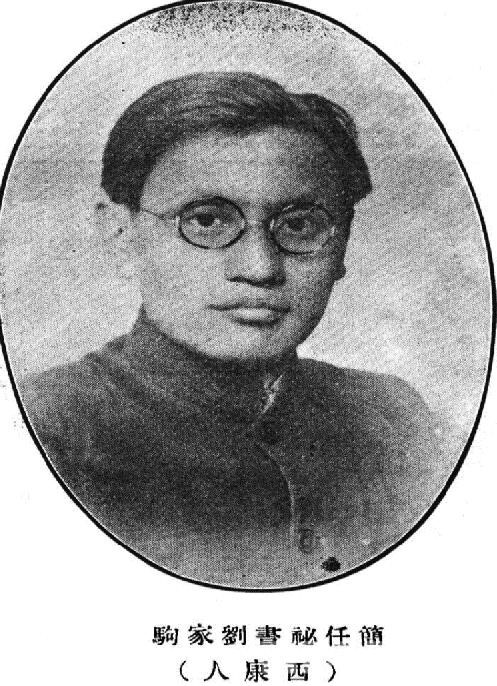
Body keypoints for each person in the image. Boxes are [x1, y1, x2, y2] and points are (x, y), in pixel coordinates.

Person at [20, 71, 444, 588]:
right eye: (205, 221)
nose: (260, 268)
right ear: (121, 233)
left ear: (343, 246)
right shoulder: (44, 426)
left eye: (300, 225)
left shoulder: (390, 417)